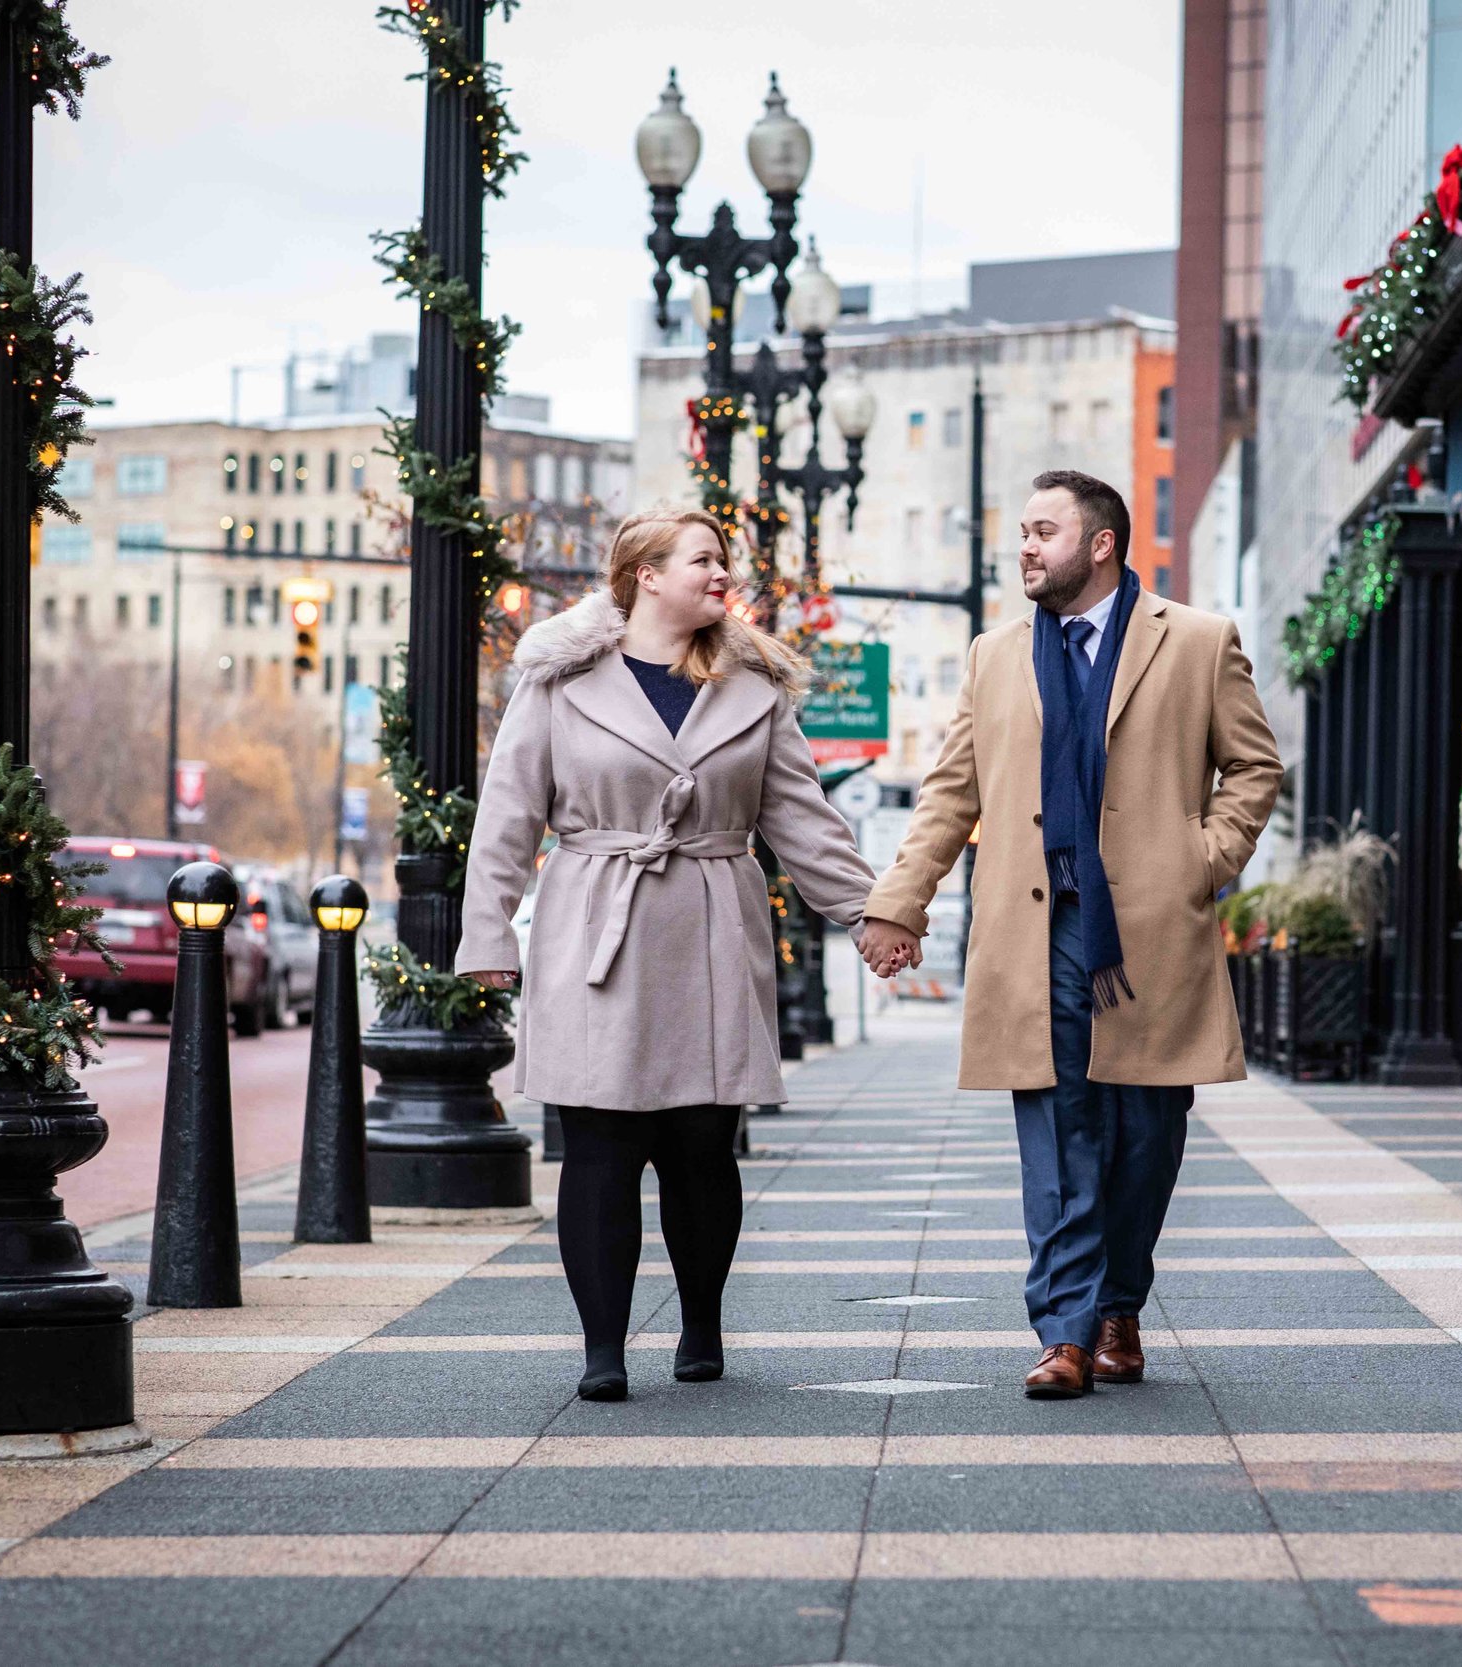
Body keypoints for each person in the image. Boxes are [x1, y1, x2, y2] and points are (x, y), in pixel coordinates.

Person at [861, 470, 1283, 1398]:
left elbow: (1254, 769)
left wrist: (1200, 861)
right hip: (1036, 924)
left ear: (1100, 543)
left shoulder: (1200, 641)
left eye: (1043, 530)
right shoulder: (995, 654)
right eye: (1021, 530)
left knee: (1147, 1134)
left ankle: (1119, 1302)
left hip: (1150, 933)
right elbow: (952, 792)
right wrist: (901, 897)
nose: (1024, 546)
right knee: (1058, 1128)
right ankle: (1064, 1329)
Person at [455, 507, 878, 1402]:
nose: (723, 573)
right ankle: (602, 1347)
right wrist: (487, 932)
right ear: (645, 574)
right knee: (600, 1145)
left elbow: (803, 822)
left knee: (700, 1143)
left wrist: (871, 914)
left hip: (713, 924)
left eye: (724, 560)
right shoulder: (560, 682)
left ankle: (701, 1322)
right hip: (595, 923)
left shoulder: (753, 686)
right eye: (704, 559)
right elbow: (507, 817)